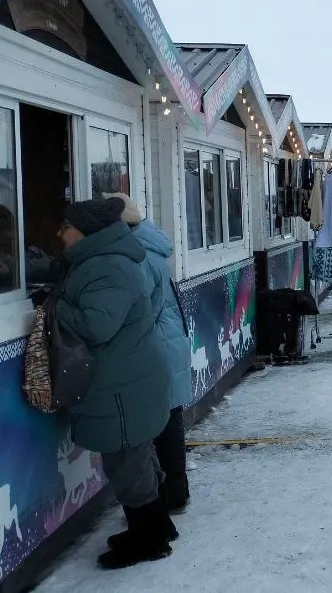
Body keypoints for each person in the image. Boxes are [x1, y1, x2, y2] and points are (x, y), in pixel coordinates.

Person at [42, 198, 176, 569]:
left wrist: (55, 307)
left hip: (123, 387)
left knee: (127, 464)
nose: (60, 233)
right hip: (129, 380)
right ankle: (156, 527)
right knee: (138, 457)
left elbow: (97, 326)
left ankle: (147, 540)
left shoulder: (106, 267)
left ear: (86, 232)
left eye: (66, 226)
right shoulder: (102, 261)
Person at [105, 193, 191, 514]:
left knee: (164, 423)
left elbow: (140, 310)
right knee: (168, 420)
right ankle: (175, 490)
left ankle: (172, 492)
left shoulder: (138, 256)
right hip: (167, 343)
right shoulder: (148, 245)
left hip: (158, 346)